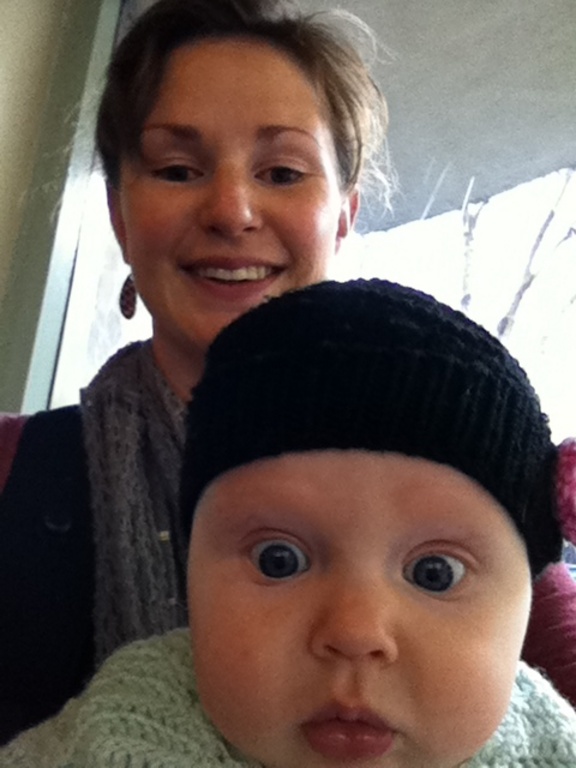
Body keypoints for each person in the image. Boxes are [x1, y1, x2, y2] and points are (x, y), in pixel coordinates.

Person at [0, 0, 575, 747]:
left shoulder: (467, 489)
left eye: (281, 171)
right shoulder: (14, 470)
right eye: (177, 169)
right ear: (119, 214)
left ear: (343, 216)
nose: (232, 210)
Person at [2, 278, 576, 767]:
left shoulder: (549, 744)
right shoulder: (108, 737)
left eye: (435, 573)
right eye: (279, 560)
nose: (354, 632)